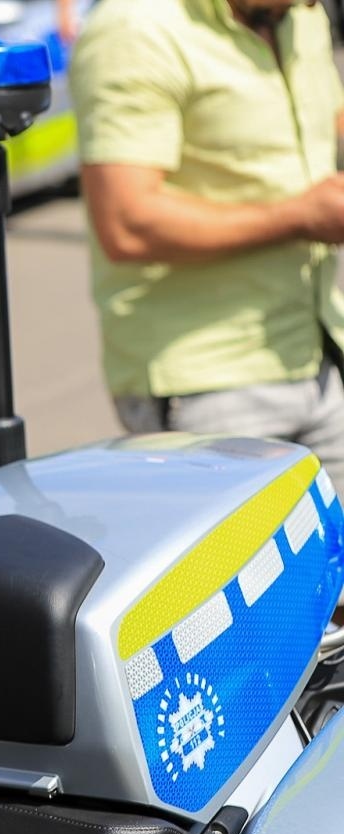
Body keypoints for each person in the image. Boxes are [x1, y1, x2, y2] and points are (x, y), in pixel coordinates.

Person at [70, 0, 344, 487]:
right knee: (243, 563)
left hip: (319, 352)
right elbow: (127, 222)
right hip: (210, 382)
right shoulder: (135, 27)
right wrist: (300, 216)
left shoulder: (301, 16)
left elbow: (321, 122)